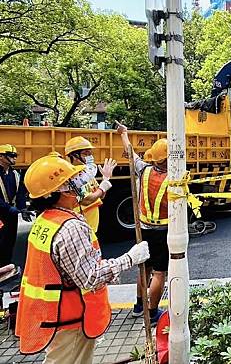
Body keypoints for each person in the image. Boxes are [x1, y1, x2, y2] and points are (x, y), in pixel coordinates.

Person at [15, 153, 149, 363]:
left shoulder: (46, 220)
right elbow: (90, 278)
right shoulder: (70, 228)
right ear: (61, 190)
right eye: (73, 181)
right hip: (70, 319)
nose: (80, 185)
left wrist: (104, 180)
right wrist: (130, 258)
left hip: (54, 316)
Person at [117, 123, 168, 324]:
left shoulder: (144, 170)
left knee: (144, 269)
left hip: (144, 229)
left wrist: (124, 133)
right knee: (158, 272)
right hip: (163, 231)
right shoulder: (173, 178)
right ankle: (152, 311)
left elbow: (131, 154)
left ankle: (139, 306)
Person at [64, 137, 117, 233]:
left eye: (90, 154)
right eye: (85, 153)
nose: (89, 157)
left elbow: (101, 195)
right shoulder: (72, 177)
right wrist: (102, 187)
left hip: (91, 226)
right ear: (73, 156)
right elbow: (86, 200)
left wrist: (105, 179)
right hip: (78, 226)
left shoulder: (87, 173)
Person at [0, 144, 31, 266]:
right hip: (2, 213)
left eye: (15, 156)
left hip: (10, 215)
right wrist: (10, 209)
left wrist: (22, 209)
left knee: (9, 240)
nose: (14, 158)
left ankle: (6, 264)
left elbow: (20, 193)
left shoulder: (15, 174)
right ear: (1, 157)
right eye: (11, 155)